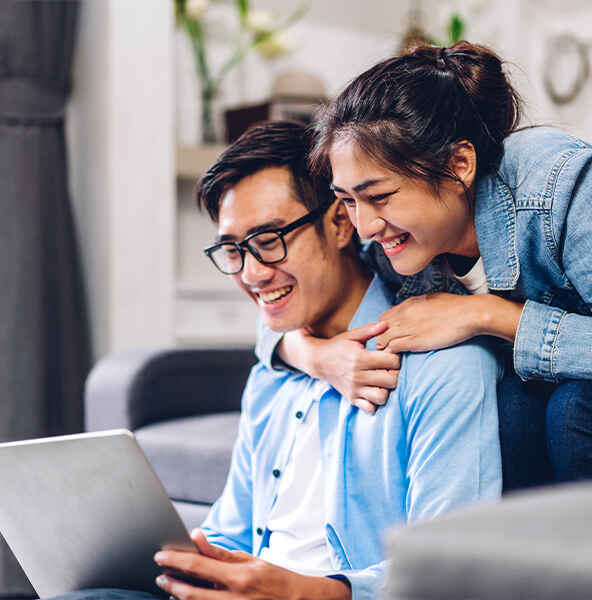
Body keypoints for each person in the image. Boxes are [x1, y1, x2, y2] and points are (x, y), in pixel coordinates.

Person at [48, 121, 502, 600]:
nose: (252, 273)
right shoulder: (277, 372)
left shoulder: (444, 367)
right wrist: (197, 562)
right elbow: (233, 529)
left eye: (269, 240)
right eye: (232, 250)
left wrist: (306, 591)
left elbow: (454, 572)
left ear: (341, 222)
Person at [259, 41, 592, 491]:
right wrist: (320, 358)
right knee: (514, 408)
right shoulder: (388, 241)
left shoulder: (561, 183)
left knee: (572, 409)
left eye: (378, 196)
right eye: (347, 201)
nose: (364, 226)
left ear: (459, 164)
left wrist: (485, 316)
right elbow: (283, 300)